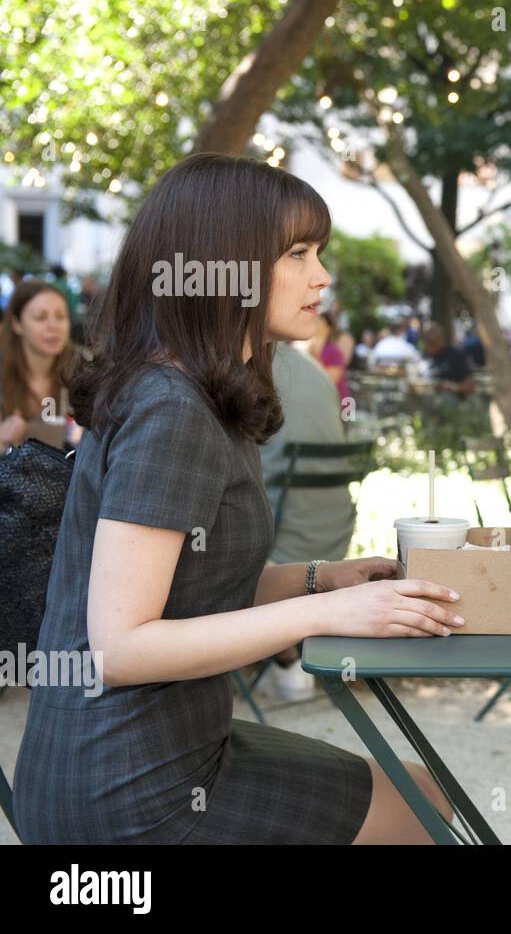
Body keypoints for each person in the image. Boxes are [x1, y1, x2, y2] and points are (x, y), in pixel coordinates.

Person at [13, 153, 460, 844]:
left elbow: (193, 587)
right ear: (227, 266)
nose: (322, 276)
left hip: (174, 753)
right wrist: (328, 610)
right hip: (126, 793)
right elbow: (121, 646)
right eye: (299, 253)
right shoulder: (172, 406)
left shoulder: (200, 390)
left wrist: (318, 579)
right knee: (421, 809)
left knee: (424, 792)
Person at [257, 342, 361, 700]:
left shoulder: (247, 370)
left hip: (283, 536)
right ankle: (287, 662)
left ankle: (284, 659)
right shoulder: (316, 371)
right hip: (336, 531)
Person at [0, 279, 80, 451]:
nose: (53, 326)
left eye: (61, 317)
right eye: (40, 317)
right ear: (17, 324)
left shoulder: (86, 372)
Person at [308, 308, 353, 404]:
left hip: (336, 401)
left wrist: (315, 356)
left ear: (328, 328)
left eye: (320, 321)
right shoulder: (307, 346)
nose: (316, 323)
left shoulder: (333, 351)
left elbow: (332, 379)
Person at [422, 322, 475, 396]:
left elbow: (470, 386)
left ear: (441, 339)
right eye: (427, 342)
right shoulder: (424, 357)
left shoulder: (456, 355)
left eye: (432, 342)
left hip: (451, 401)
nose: (428, 346)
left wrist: (453, 387)